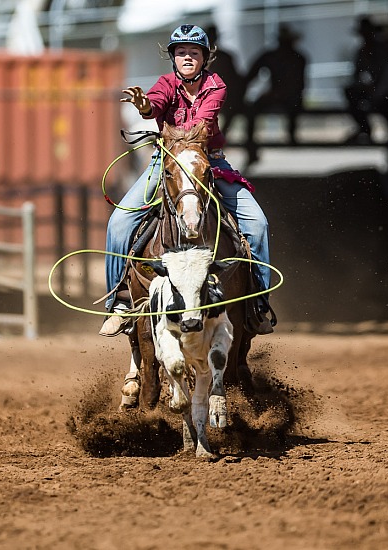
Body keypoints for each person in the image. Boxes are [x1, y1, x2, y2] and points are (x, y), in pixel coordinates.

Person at [99, 24, 273, 337]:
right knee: (118, 224)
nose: (187, 57)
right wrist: (146, 107)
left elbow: (203, 125)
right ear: (173, 58)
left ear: (205, 58)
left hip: (209, 163)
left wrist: (161, 121)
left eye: (194, 52)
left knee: (258, 225)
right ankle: (120, 303)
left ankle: (258, 304)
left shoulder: (215, 85)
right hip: (165, 163)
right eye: (181, 53)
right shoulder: (165, 83)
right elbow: (155, 101)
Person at [243, 24, 307, 164]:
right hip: (284, 96)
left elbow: (299, 84)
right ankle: (251, 145)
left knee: (253, 108)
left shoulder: (293, 57)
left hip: (288, 96)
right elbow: (251, 75)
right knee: (252, 108)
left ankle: (252, 145)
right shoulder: (297, 57)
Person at [343, 16, 385, 144]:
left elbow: (385, 74)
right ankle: (364, 128)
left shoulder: (381, 51)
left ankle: (365, 128)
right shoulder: (362, 52)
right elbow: (357, 74)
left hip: (384, 89)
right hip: (374, 89)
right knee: (351, 92)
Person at [205, 25, 246, 135]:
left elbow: (235, 80)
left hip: (224, 97)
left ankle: (219, 138)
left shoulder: (225, 57)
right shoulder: (196, 57)